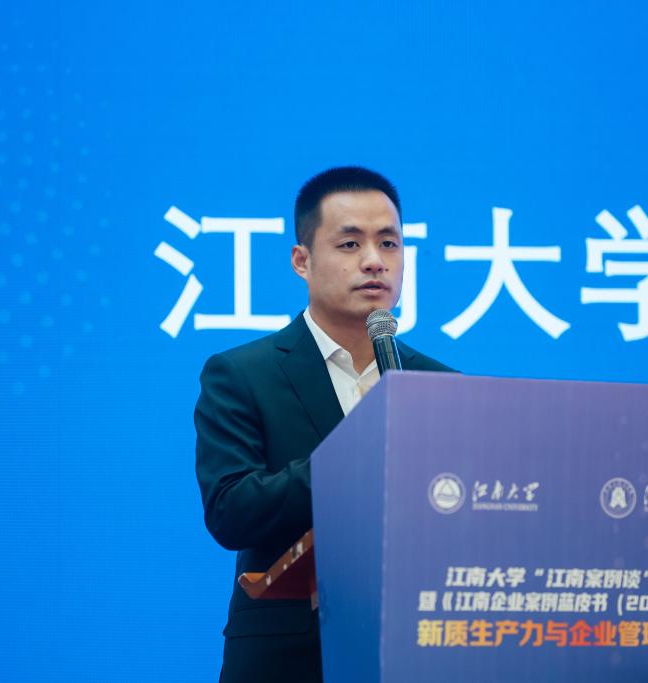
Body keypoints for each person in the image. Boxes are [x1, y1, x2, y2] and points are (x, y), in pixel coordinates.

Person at [194, 166, 454, 682]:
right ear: (302, 261)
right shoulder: (241, 374)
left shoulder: (440, 384)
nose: (375, 261)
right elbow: (231, 511)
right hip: (286, 659)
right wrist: (358, 447)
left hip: (416, 650)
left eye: (389, 243)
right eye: (350, 244)